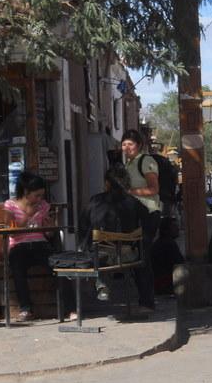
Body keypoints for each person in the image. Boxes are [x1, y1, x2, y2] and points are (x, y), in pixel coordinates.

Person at [79, 165, 156, 310]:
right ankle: (147, 302)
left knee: (98, 251)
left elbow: (83, 226)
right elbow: (148, 224)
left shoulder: (95, 201)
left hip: (99, 256)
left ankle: (102, 284)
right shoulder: (134, 202)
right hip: (128, 255)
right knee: (144, 258)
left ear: (107, 183)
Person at [4, 172, 70, 321]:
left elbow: (49, 234)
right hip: (19, 246)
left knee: (60, 267)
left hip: (40, 244)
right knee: (17, 268)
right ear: (26, 192)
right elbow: (12, 232)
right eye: (37, 195)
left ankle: (70, 308)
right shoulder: (10, 205)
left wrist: (50, 228)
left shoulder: (44, 206)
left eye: (42, 196)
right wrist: (28, 214)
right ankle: (26, 309)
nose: (39, 199)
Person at [121, 129, 161, 242]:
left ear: (138, 145)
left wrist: (129, 192)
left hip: (148, 213)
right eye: (124, 144)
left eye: (130, 144)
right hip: (133, 213)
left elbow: (154, 189)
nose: (127, 148)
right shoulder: (128, 164)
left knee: (144, 250)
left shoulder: (146, 161)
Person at [150, 216, 185, 295]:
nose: (177, 229)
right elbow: (179, 264)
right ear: (166, 231)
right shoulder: (169, 244)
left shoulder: (160, 242)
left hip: (158, 284)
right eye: (174, 227)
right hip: (165, 284)